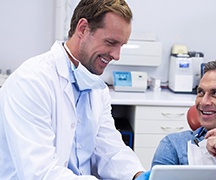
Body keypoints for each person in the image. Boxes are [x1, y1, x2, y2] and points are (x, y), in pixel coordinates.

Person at [0, 0, 146, 179]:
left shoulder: (97, 89)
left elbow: (110, 150)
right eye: (110, 42)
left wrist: (137, 175)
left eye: (120, 46)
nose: (116, 55)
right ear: (83, 29)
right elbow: (40, 173)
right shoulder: (31, 82)